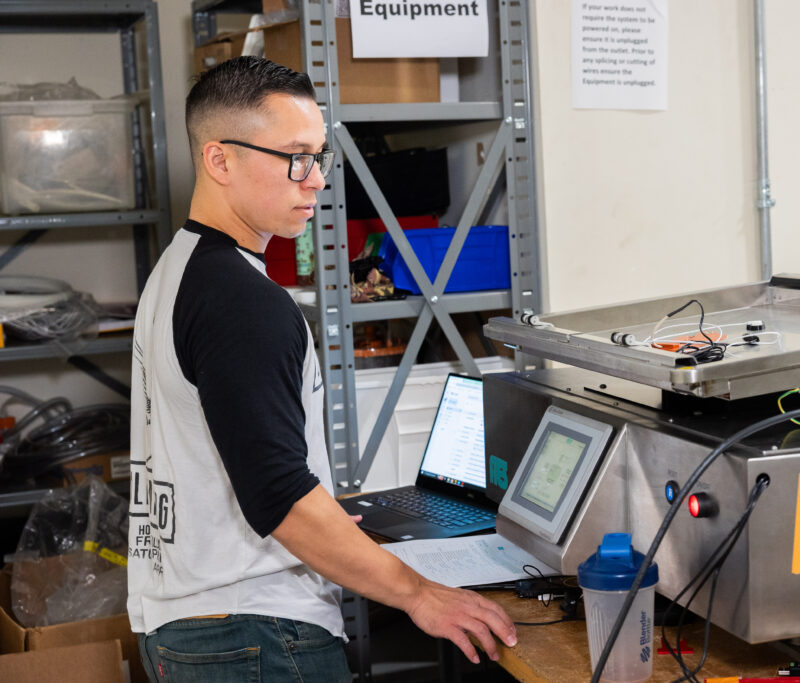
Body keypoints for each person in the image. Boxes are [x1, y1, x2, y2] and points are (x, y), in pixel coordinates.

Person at [127, 56, 516, 682]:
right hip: (256, 630)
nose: (315, 181)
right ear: (220, 160)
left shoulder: (180, 269)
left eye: (320, 158)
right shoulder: (241, 301)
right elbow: (278, 497)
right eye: (295, 157)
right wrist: (418, 593)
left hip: (189, 619)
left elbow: (231, 454)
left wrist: (327, 519)